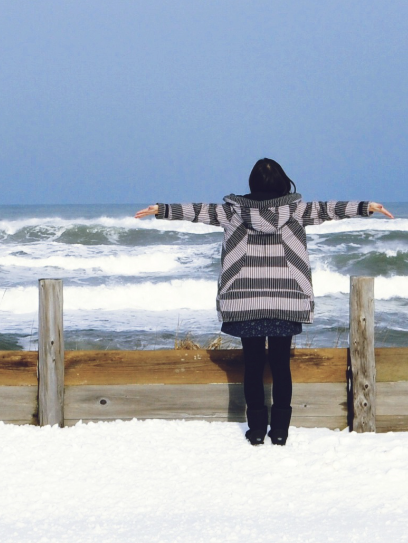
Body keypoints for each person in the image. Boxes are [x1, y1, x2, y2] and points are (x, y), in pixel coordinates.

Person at [136, 158, 392, 445]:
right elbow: (330, 209)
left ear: (252, 184)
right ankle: (280, 430)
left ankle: (257, 429)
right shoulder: (296, 211)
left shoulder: (232, 213)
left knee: (253, 366)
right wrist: (366, 206)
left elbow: (197, 212)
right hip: (287, 299)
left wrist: (162, 209)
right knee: (281, 366)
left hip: (245, 301)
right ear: (282, 182)